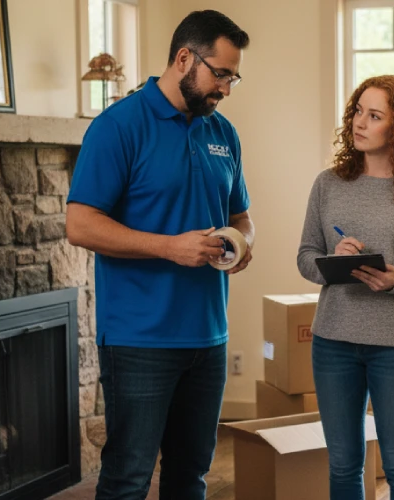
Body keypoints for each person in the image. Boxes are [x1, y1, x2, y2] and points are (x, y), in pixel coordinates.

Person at [65, 10, 254, 500]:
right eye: (220, 74)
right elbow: (80, 224)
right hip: (139, 340)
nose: (226, 89)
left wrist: (242, 243)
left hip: (209, 336)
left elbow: (241, 217)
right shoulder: (118, 126)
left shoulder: (223, 134)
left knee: (190, 476)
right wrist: (169, 248)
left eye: (233, 77)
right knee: (129, 477)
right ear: (183, 58)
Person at [297, 75, 394, 500]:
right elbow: (306, 257)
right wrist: (334, 262)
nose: (359, 123)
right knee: (343, 464)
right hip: (332, 342)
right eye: (358, 112)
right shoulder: (327, 184)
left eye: (374, 115)